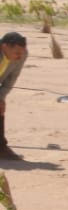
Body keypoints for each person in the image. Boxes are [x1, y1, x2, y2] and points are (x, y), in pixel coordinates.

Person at [0, 32, 28, 161]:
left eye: (21, 52)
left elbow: (11, 80)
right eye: (17, 52)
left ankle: (1, 148)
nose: (20, 56)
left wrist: (1, 97)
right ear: (4, 47)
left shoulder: (22, 56)